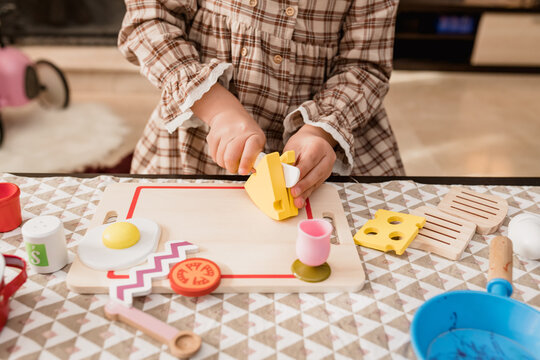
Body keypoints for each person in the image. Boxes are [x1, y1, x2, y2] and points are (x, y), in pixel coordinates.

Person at [119, 0, 404, 208]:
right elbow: (148, 19)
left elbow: (365, 67)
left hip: (323, 151)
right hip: (195, 146)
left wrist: (321, 131)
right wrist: (217, 108)